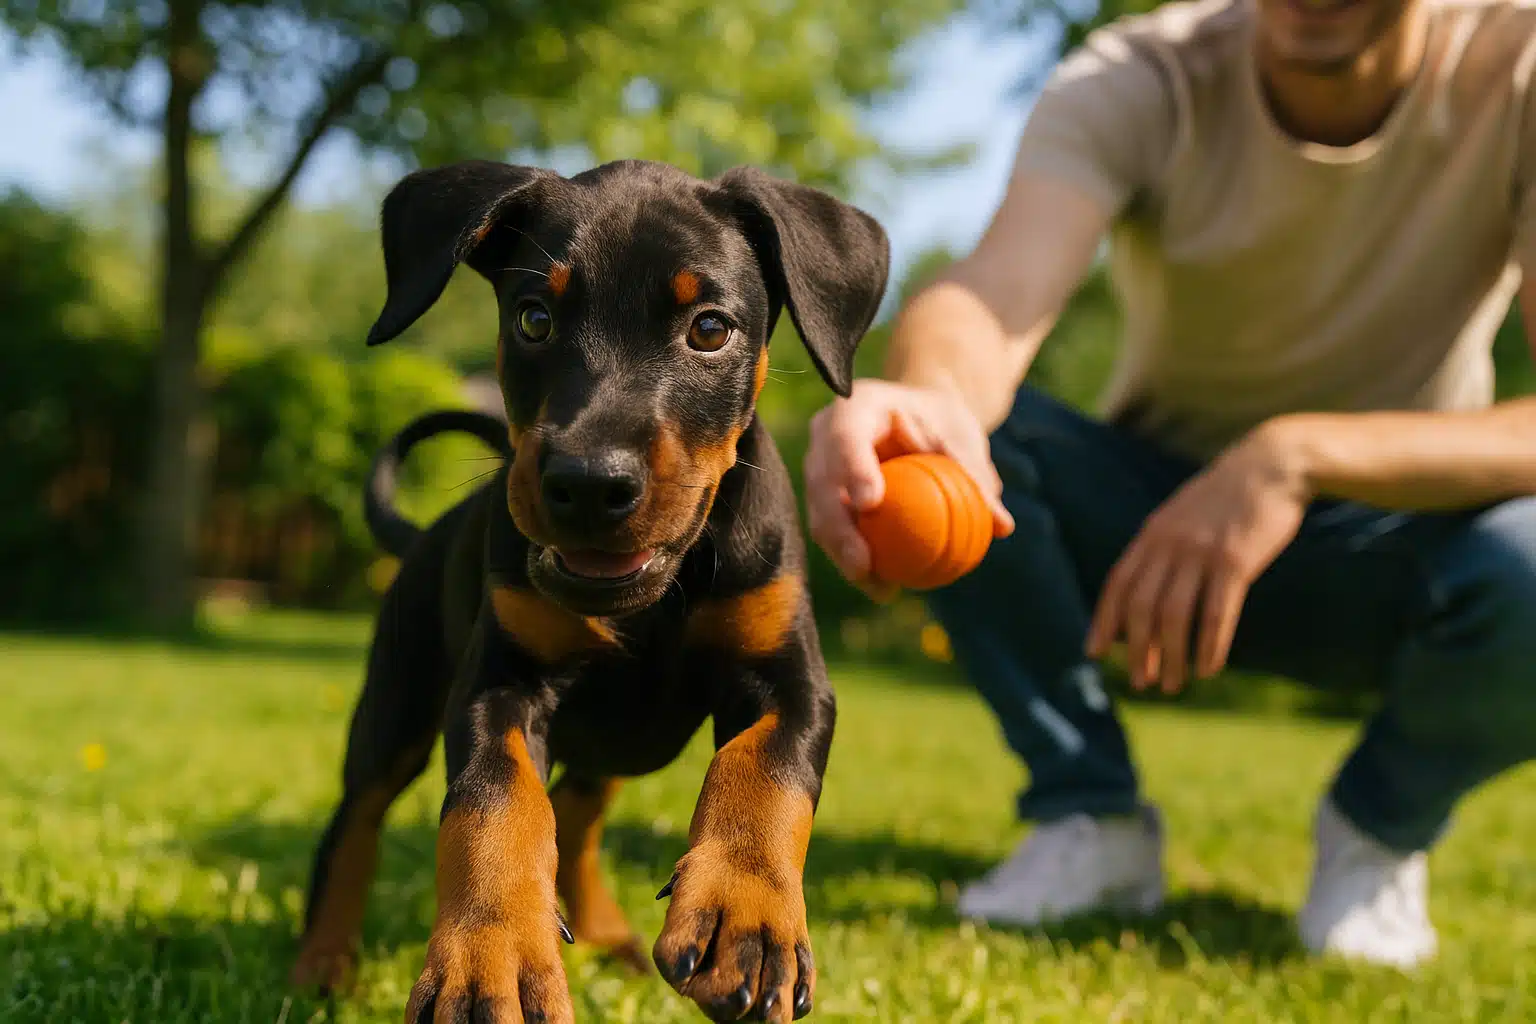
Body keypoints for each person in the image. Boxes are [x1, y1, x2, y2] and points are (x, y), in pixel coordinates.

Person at [803, 0, 1536, 968]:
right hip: (1147, 535)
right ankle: (1088, 813)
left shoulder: (1517, 65)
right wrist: (928, 397)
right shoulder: (1140, 74)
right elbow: (992, 295)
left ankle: (1379, 830)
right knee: (949, 441)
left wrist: (1292, 454)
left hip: (1406, 542)